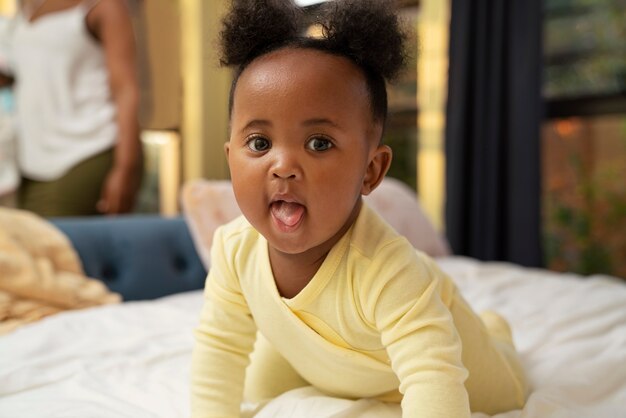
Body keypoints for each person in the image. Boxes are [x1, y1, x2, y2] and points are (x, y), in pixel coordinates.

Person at [191, 1, 529, 417]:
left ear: (371, 170)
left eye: (319, 143)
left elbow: (432, 376)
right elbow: (219, 347)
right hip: (334, 360)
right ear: (230, 158)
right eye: (259, 143)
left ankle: (496, 333)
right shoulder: (232, 250)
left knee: (507, 390)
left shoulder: (388, 268)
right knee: (261, 386)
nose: (282, 166)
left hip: (448, 349)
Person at [0, 0, 142, 216]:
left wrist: (126, 168)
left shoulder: (103, 6)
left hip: (85, 151)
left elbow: (126, 89)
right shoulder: (26, 9)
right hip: (30, 162)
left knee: (51, 245)